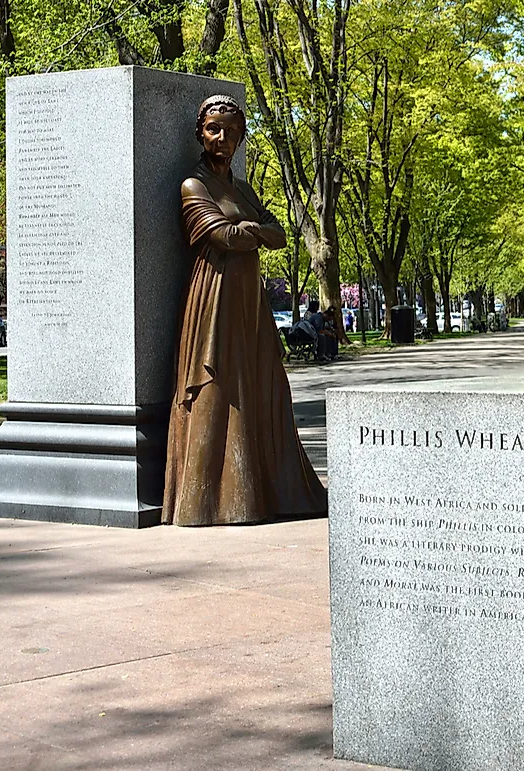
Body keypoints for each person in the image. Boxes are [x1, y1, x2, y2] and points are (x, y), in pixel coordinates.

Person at [164, 94, 326, 526]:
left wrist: (249, 230)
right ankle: (209, 501)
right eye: (214, 129)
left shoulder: (242, 188)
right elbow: (221, 237)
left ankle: (260, 488)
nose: (223, 138)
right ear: (200, 132)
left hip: (249, 299)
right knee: (218, 386)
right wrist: (252, 231)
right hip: (214, 297)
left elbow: (278, 235)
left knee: (258, 383)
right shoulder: (193, 186)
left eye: (232, 131)